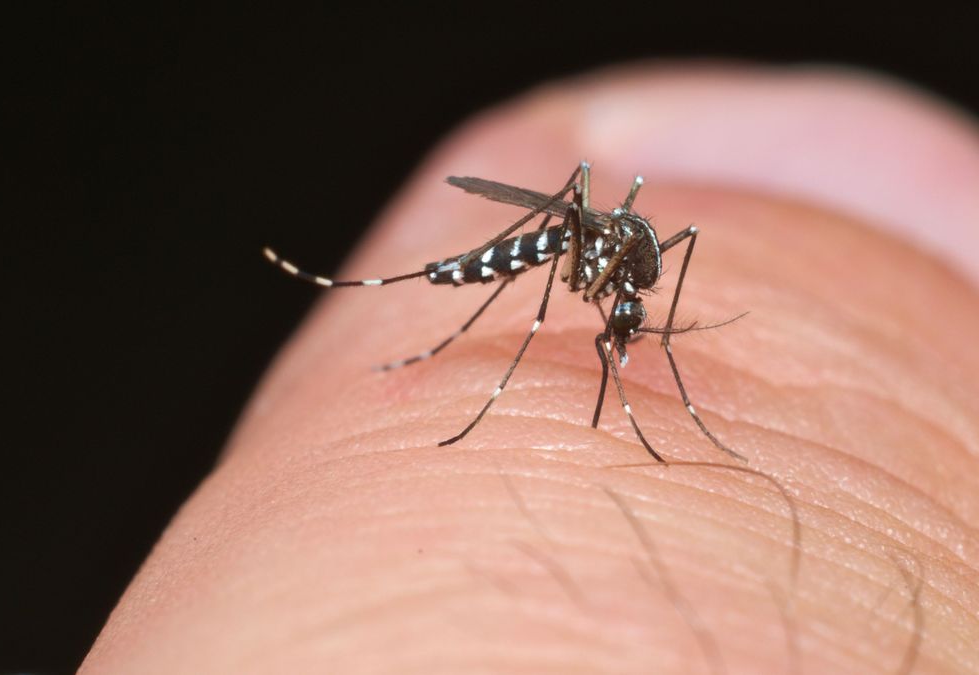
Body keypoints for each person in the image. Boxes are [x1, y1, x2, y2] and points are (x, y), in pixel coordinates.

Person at [82, 64, 979, 674]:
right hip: (556, 241)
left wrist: (647, 323)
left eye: (634, 319)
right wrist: (559, 309)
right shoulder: (608, 258)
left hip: (594, 247)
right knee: (573, 226)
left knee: (626, 224)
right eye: (633, 319)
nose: (626, 324)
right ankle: (457, 335)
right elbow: (589, 241)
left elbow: (649, 265)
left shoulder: (647, 264)